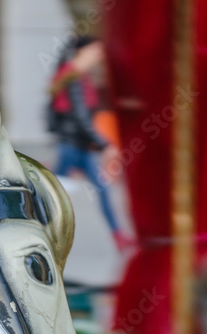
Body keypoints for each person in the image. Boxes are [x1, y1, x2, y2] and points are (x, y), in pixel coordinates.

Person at [48, 35, 131, 250]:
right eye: (96, 52)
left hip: (80, 145)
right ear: (82, 52)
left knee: (96, 190)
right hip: (71, 146)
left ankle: (118, 235)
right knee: (54, 196)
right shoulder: (72, 76)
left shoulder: (76, 75)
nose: (99, 57)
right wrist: (104, 144)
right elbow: (81, 117)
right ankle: (43, 236)